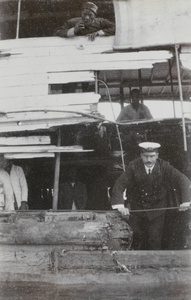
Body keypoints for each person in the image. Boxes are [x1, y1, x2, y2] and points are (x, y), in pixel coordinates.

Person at [110, 142, 191, 250]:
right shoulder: (133, 166)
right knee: (137, 239)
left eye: (152, 156)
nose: (149, 160)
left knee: (155, 239)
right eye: (145, 156)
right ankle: (137, 265)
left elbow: (183, 180)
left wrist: (185, 201)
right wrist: (120, 206)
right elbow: (120, 184)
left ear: (157, 156)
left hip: (157, 211)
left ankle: (153, 265)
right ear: (141, 155)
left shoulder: (164, 166)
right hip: (138, 210)